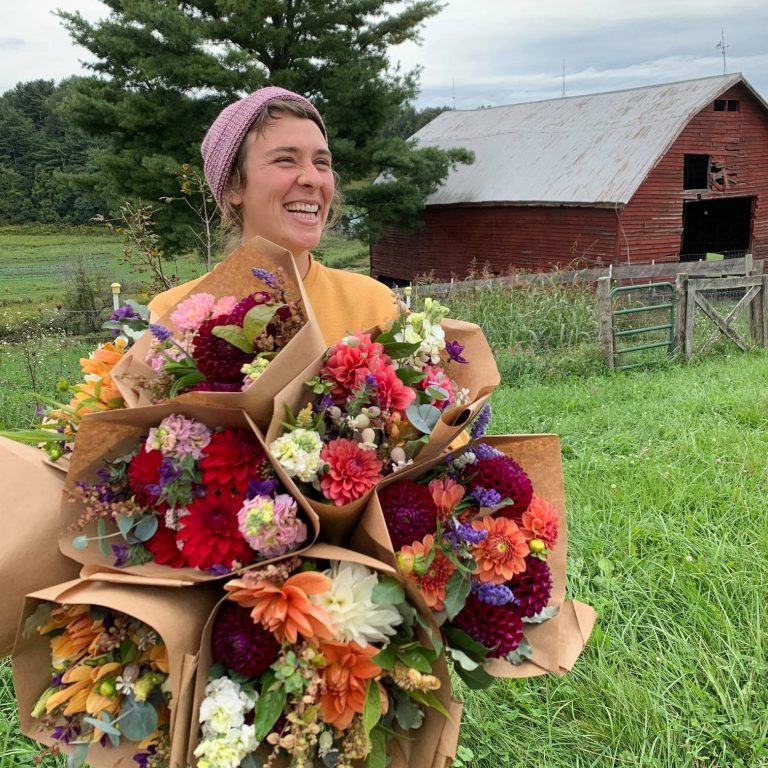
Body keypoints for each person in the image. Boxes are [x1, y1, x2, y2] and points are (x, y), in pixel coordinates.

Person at [148, 86, 398, 344]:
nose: (312, 178)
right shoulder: (175, 320)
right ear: (234, 185)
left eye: (321, 162)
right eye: (286, 160)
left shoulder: (376, 307)